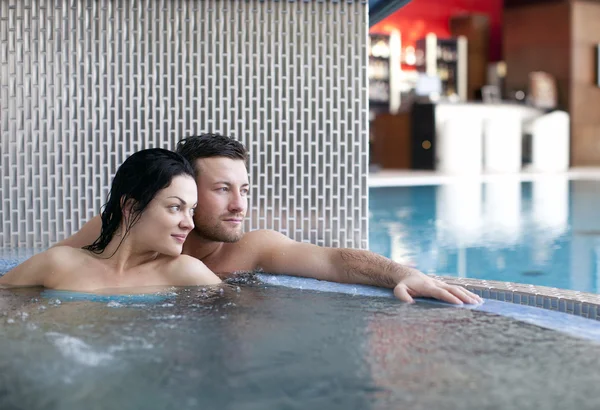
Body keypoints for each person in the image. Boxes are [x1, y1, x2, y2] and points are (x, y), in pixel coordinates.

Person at [56, 134, 482, 305]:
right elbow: (48, 271)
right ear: (183, 189)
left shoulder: (250, 249)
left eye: (244, 190)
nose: (239, 205)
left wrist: (400, 273)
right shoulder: (116, 231)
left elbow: (334, 260)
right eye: (222, 190)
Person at [0, 149, 221, 292]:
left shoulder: (185, 273)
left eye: (191, 210)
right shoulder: (59, 264)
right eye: (175, 207)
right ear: (131, 208)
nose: (189, 223)